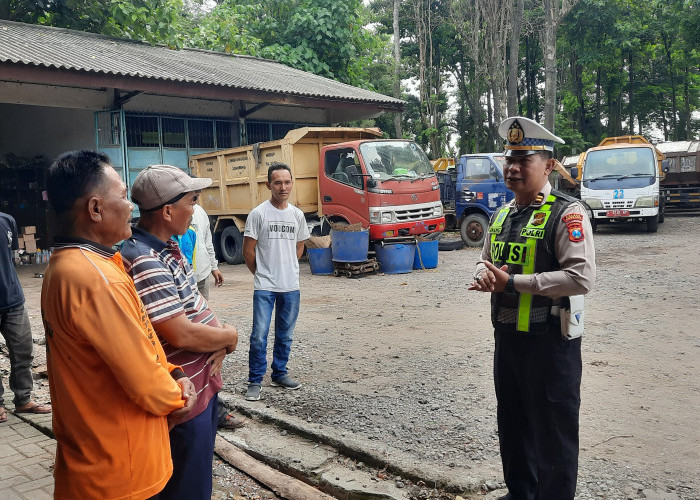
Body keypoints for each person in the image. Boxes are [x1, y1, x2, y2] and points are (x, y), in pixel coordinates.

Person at [41, 151, 195, 499]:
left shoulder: (76, 264)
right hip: (120, 472)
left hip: (91, 460)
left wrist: (173, 371)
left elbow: (140, 341)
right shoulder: (94, 279)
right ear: (95, 209)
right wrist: (178, 394)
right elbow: (143, 383)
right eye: (124, 197)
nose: (131, 207)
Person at [469, 117, 596, 500]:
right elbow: (486, 257)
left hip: (550, 345)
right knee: (513, 421)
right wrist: (484, 273)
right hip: (508, 339)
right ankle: (520, 493)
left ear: (549, 165)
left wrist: (515, 284)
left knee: (553, 431)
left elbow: (581, 277)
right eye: (509, 158)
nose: (513, 167)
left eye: (525, 159)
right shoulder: (503, 214)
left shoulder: (567, 213)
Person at [121, 164, 239, 500]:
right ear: (168, 210)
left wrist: (219, 336)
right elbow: (180, 333)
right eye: (192, 201)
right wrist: (229, 337)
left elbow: (193, 305)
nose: (196, 210)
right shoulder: (145, 259)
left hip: (199, 389)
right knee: (186, 488)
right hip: (183, 398)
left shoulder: (167, 247)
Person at [243, 162, 310, 401]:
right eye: (278, 182)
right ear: (268, 185)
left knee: (286, 334)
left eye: (287, 182)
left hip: (291, 286)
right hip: (265, 286)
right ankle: (254, 381)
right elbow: (248, 252)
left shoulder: (297, 215)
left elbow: (299, 246)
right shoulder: (258, 214)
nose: (283, 187)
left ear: (292, 183)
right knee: (258, 335)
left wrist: (287, 269)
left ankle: (280, 373)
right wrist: (262, 275)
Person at [189, 201, 245, 430]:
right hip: (185, 279)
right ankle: (206, 405)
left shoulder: (199, 212)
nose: (193, 200)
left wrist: (213, 266)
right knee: (196, 342)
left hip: (200, 276)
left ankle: (211, 404)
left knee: (205, 338)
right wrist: (227, 338)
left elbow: (205, 242)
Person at [0, 212, 51, 423]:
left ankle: (23, 399)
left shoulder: (6, 221)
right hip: (12, 298)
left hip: (13, 299)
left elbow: (9, 258)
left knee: (23, 351)